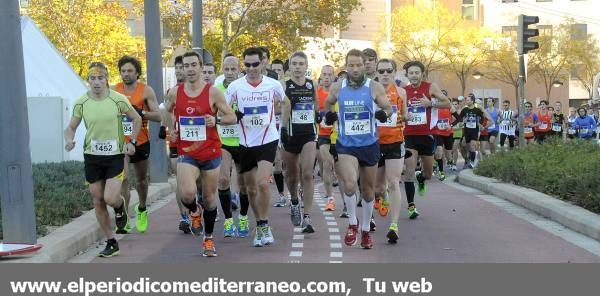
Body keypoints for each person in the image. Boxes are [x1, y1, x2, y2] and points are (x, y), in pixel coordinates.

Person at [162, 51, 237, 257]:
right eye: (186, 66)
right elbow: (165, 112)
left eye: (194, 65)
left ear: (201, 67)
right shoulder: (174, 92)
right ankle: (194, 211)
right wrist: (172, 130)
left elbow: (231, 116)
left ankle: (208, 239)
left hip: (211, 151)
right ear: (183, 69)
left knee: (210, 199)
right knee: (187, 193)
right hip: (187, 152)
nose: (190, 69)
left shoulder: (213, 92)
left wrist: (217, 121)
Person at [64, 62, 142, 257]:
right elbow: (71, 127)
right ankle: (111, 241)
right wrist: (69, 140)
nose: (96, 82)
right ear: (88, 80)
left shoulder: (118, 99)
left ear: (106, 79)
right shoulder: (81, 102)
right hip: (92, 157)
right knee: (98, 200)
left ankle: (119, 206)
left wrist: (131, 141)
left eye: (100, 78)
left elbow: (136, 118)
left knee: (110, 198)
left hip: (114, 155)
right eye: (92, 78)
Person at [324, 49, 393, 249]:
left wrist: (383, 115)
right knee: (350, 183)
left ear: (365, 66)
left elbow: (388, 108)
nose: (354, 69)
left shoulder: (374, 87)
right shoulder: (338, 87)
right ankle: (352, 223)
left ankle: (365, 230)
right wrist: (329, 115)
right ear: (346, 67)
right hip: (346, 144)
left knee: (368, 191)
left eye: (358, 65)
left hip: (369, 144)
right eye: (351, 65)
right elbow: (327, 104)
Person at [225, 47, 288, 247]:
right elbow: (224, 111)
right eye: (248, 65)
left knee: (262, 183)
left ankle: (265, 224)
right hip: (245, 142)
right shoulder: (235, 87)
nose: (251, 68)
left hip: (268, 139)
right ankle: (260, 224)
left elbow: (286, 103)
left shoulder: (273, 84)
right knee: (251, 189)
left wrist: (281, 128)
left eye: (255, 64)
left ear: (263, 64)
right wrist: (234, 116)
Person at [113, 56, 161, 234]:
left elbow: (158, 116)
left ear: (137, 73)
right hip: (122, 143)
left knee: (141, 180)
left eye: (129, 71)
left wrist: (141, 114)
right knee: (124, 179)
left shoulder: (146, 91)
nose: (126, 74)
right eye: (123, 71)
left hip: (141, 141)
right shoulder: (114, 91)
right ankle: (124, 217)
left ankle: (141, 208)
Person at [402, 61, 451, 219]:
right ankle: (411, 206)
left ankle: (421, 178)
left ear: (422, 74)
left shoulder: (431, 87)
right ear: (407, 75)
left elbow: (448, 104)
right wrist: (403, 116)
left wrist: (431, 103)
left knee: (429, 174)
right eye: (411, 73)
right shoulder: (403, 91)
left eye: (417, 72)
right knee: (409, 171)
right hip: (409, 135)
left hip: (427, 134)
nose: (414, 75)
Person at [280, 51, 318, 233]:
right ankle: (294, 200)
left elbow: (316, 107)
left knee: (308, 173)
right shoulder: (284, 85)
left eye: (301, 64)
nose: (297, 67)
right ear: (290, 66)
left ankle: (308, 217)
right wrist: (282, 128)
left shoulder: (312, 84)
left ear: (306, 66)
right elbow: (278, 108)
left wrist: (320, 117)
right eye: (294, 64)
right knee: (292, 175)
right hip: (290, 135)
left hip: (308, 135)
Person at [373, 59, 408, 244]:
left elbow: (405, 114)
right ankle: (382, 196)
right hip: (376, 143)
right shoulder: (371, 92)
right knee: (377, 188)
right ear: (377, 72)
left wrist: (406, 116)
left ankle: (394, 225)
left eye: (389, 71)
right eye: (382, 71)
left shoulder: (401, 92)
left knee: (394, 181)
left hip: (395, 141)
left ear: (395, 72)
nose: (385, 74)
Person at [215, 55, 250, 238]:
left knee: (244, 186)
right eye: (226, 69)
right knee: (222, 180)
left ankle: (243, 217)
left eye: (233, 69)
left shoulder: (245, 88)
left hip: (244, 141)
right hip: (224, 142)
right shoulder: (216, 89)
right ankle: (229, 221)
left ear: (239, 70)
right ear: (222, 69)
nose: (229, 73)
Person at [316, 65, 337, 212]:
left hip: (338, 135)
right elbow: (312, 111)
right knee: (327, 165)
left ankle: (347, 200)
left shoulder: (339, 93)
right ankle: (330, 198)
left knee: (340, 170)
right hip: (323, 134)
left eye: (329, 74)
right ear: (321, 76)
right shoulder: (316, 94)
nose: (327, 77)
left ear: (334, 77)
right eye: (324, 74)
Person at [456, 95, 491, 168]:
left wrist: (480, 125)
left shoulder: (477, 110)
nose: (466, 101)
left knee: (472, 146)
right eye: (466, 100)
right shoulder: (464, 110)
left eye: (468, 100)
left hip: (475, 131)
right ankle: (469, 159)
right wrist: (462, 122)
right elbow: (459, 119)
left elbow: (483, 118)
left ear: (472, 101)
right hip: (466, 131)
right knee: (467, 147)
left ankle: (472, 163)